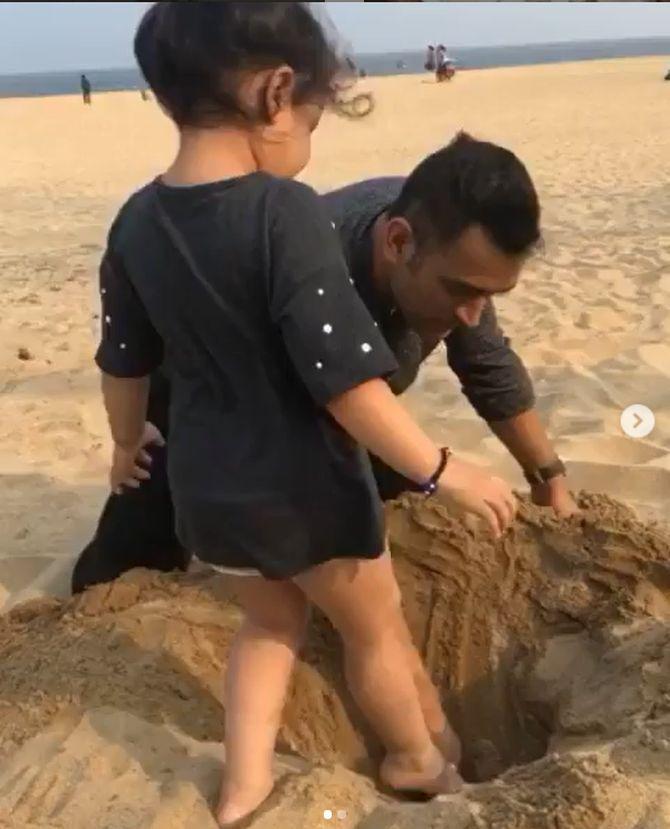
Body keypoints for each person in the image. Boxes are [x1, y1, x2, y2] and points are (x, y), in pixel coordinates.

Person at [97, 3, 517, 824]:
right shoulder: (284, 212)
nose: (310, 141)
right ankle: (416, 759)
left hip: (207, 489)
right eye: (315, 118)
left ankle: (244, 782)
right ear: (277, 92)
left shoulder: (134, 222)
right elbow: (347, 381)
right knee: (377, 628)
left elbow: (124, 361)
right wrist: (439, 467)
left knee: (269, 622)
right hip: (306, 489)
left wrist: (124, 441)